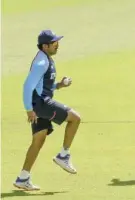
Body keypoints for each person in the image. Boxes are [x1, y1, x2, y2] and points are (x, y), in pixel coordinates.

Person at [13, 30, 81, 190]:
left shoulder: (46, 59)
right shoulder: (41, 63)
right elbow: (27, 86)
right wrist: (29, 109)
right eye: (54, 43)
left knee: (39, 140)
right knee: (75, 118)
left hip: (39, 104)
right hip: (41, 105)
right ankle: (63, 155)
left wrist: (60, 85)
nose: (57, 45)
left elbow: (42, 86)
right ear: (45, 46)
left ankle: (23, 178)